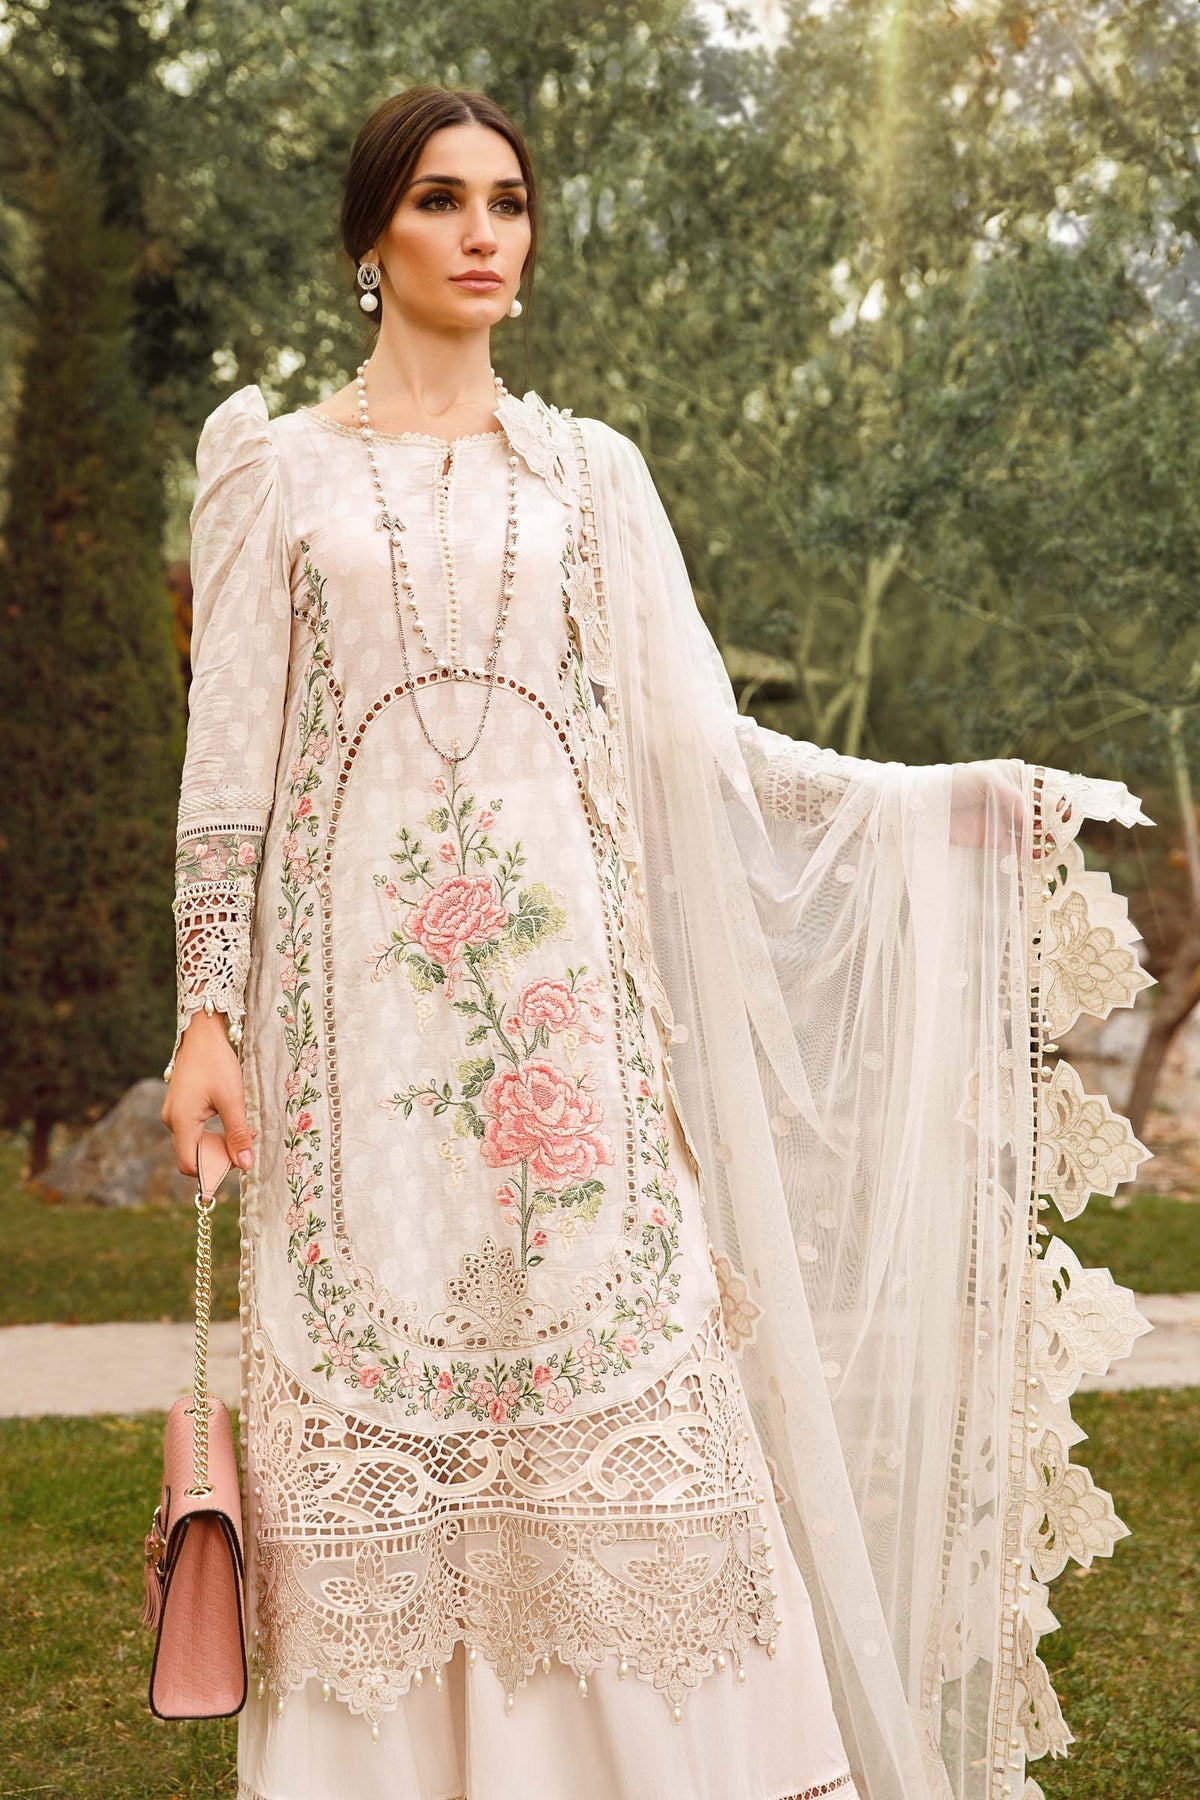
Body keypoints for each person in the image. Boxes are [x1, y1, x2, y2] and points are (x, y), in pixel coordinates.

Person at [161, 84, 1155, 1800]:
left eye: (509, 202)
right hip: (355, 1061)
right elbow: (227, 771)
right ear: (370, 236)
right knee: (384, 1400)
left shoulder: (591, 477)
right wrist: (204, 1012)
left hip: (575, 1054)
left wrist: (942, 804)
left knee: (626, 1380)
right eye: (441, 200)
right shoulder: (276, 473)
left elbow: (706, 748)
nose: (484, 233)